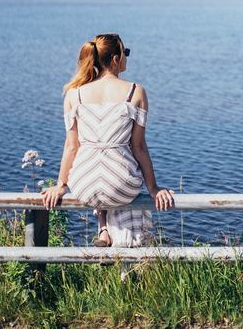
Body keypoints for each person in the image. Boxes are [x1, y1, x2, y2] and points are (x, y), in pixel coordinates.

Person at [41, 33, 174, 247]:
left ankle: (103, 229)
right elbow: (138, 147)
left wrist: (60, 185)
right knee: (121, 174)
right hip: (120, 186)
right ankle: (126, 247)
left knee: (99, 170)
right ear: (116, 59)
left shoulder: (74, 94)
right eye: (125, 52)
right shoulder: (136, 92)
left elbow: (72, 147)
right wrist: (153, 188)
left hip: (83, 186)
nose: (127, 56)